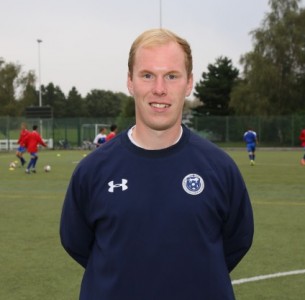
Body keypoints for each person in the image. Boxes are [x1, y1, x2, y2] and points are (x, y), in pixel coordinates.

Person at [60, 28, 254, 300]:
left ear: (189, 83)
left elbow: (237, 241)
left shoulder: (220, 168)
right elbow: (76, 243)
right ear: (130, 82)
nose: (159, 89)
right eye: (147, 75)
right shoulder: (92, 171)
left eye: (172, 76)